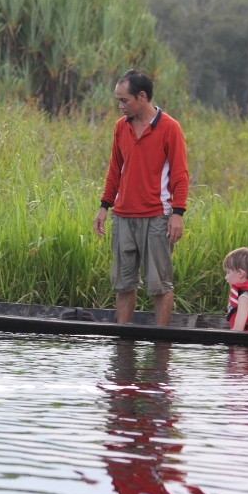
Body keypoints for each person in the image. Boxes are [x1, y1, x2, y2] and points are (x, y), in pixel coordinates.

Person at [92, 69, 189, 326]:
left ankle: (161, 346)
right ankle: (123, 343)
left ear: (142, 96)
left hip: (157, 217)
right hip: (123, 217)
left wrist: (177, 214)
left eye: (124, 100)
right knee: (123, 284)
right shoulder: (120, 128)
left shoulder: (170, 128)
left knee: (160, 284)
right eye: (118, 101)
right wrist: (104, 207)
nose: (120, 106)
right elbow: (115, 169)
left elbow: (180, 174)